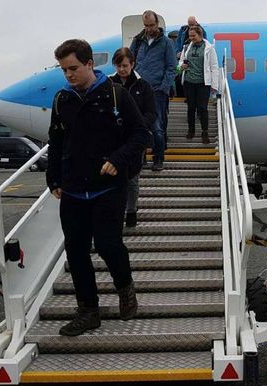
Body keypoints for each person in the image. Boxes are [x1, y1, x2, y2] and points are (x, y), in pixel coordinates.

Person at [46, 39, 149, 336]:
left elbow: (141, 134)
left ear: (90, 64)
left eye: (74, 68)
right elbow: (56, 141)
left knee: (107, 244)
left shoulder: (116, 95)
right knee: (76, 251)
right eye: (64, 70)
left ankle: (125, 288)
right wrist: (53, 178)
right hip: (73, 189)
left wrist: (119, 159)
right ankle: (88, 311)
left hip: (108, 188)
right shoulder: (61, 100)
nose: (69, 75)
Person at [110, 48, 157, 227]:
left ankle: (131, 211)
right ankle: (116, 212)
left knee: (132, 178)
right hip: (114, 139)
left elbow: (151, 113)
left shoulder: (143, 86)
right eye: (118, 66)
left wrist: (138, 126)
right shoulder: (108, 84)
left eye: (125, 65)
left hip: (135, 139)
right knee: (114, 178)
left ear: (132, 64)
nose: (121, 69)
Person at [130, 10, 176, 171]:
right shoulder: (137, 42)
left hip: (157, 91)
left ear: (157, 24)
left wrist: (164, 88)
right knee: (138, 126)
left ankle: (158, 158)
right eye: (146, 25)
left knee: (157, 128)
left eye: (152, 25)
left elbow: (172, 68)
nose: (149, 28)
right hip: (138, 90)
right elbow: (130, 63)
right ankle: (141, 157)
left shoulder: (166, 43)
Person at [178, 25, 219, 144]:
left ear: (200, 35)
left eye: (193, 36)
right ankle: (191, 130)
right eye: (190, 36)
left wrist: (214, 85)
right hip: (189, 82)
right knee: (191, 108)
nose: (191, 38)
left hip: (203, 83)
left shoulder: (209, 48)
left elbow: (214, 67)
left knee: (202, 108)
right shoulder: (186, 47)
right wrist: (181, 66)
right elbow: (180, 62)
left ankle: (204, 132)